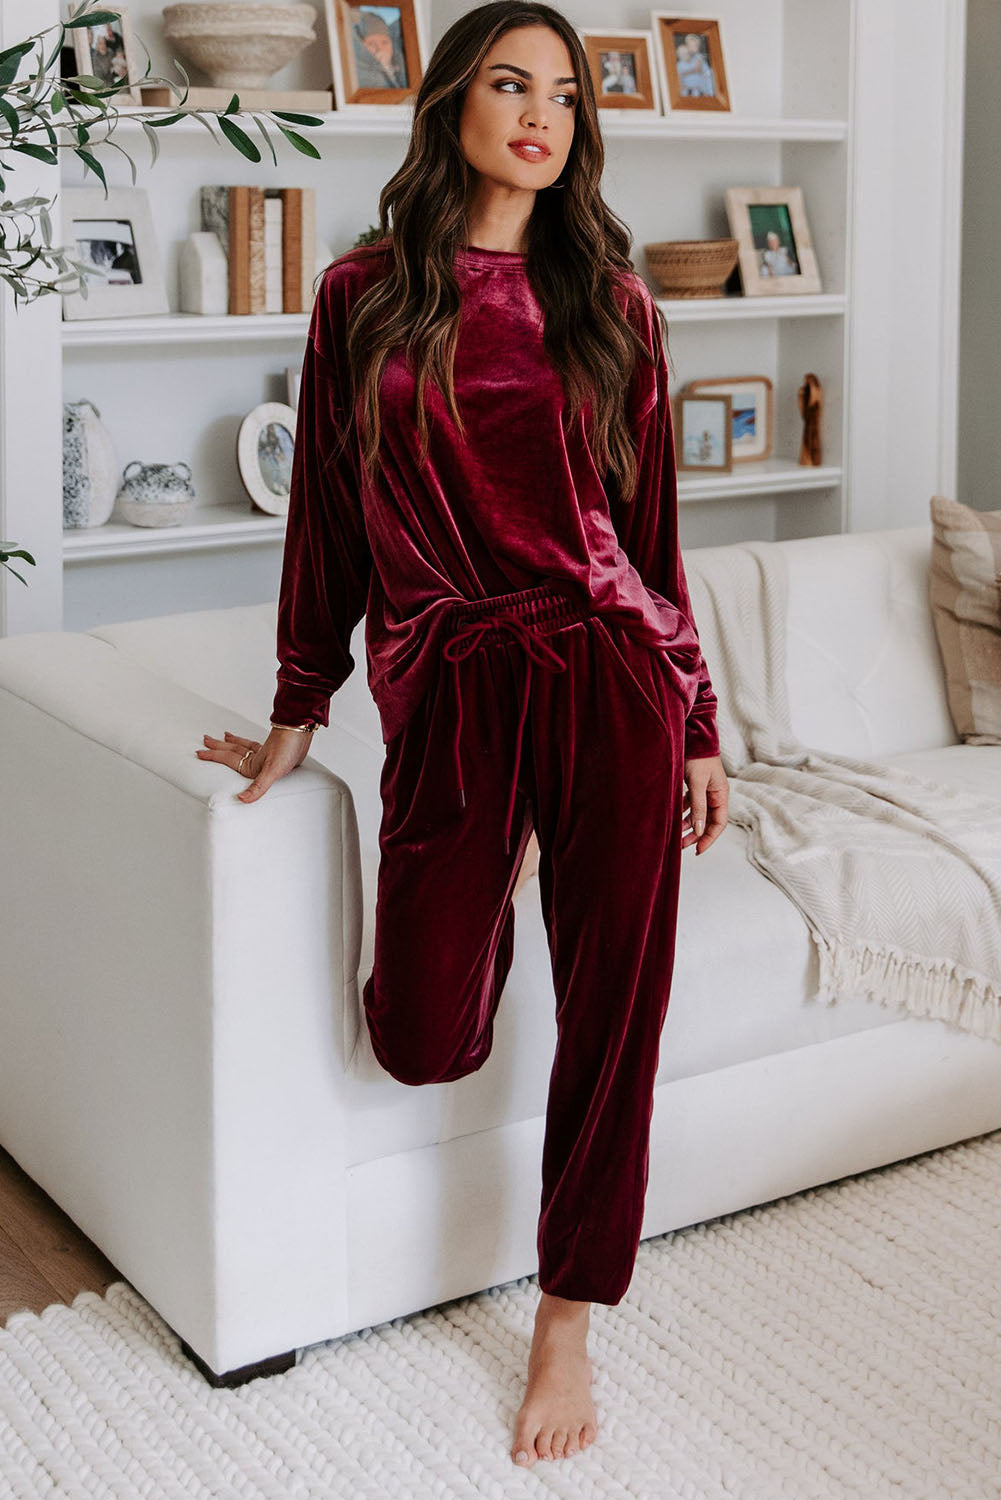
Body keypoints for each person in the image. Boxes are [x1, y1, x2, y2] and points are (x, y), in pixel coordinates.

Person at [197, 0, 729, 1469]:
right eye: (510, 82)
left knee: (616, 1012)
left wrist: (692, 718)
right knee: (421, 1033)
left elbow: (650, 533)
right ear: (452, 106)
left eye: (563, 92)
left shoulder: (611, 301)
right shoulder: (361, 294)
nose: (541, 114)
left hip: (609, 674)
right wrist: (297, 709)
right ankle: (493, 882)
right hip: (449, 683)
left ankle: (566, 1312)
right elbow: (322, 519)